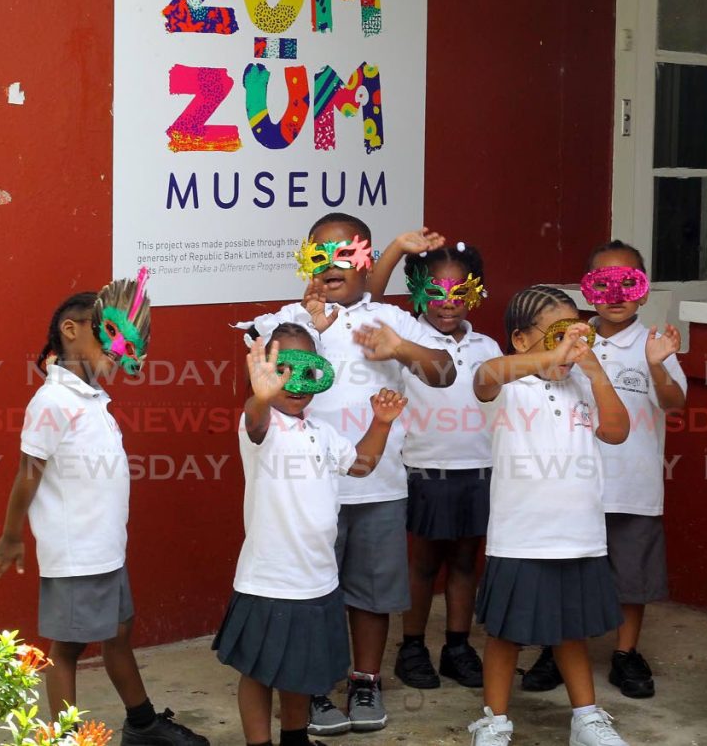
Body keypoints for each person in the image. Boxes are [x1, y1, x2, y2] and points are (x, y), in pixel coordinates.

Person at [238, 213, 455, 735]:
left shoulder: (391, 319)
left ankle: (365, 680)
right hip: (307, 495)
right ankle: (311, 689)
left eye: (344, 254)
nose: (332, 265)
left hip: (376, 482)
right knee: (312, 596)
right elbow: (261, 375)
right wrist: (314, 323)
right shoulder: (287, 319)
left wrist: (398, 347)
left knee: (372, 594)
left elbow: (444, 373)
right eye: (319, 255)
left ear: (365, 259)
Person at [0, 282, 208, 745]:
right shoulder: (52, 401)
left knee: (119, 635)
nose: (117, 351)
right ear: (70, 331)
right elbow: (28, 471)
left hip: (106, 550)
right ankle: (66, 738)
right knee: (66, 650)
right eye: (107, 334)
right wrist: (11, 536)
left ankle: (142, 726)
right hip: (77, 554)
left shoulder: (93, 397)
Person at [213, 326, 407, 746]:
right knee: (259, 670)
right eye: (280, 370)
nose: (292, 382)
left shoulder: (322, 431)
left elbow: (362, 465)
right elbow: (254, 417)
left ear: (321, 373)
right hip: (269, 580)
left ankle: (295, 738)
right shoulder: (262, 430)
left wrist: (381, 423)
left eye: (305, 371)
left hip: (318, 580)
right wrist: (261, 396)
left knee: (300, 669)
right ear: (262, 373)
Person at [467, 285, 631, 746]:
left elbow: (617, 431)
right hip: (520, 535)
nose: (571, 344)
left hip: (578, 533)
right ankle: (494, 721)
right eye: (559, 332)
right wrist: (547, 359)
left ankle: (586, 718)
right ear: (521, 340)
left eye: (579, 333)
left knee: (570, 629)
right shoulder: (510, 388)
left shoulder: (581, 382)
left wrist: (595, 370)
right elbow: (485, 374)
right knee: (506, 632)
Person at [523, 241, 686, 697]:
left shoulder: (656, 344)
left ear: (645, 288)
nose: (615, 294)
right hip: (572, 485)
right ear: (586, 289)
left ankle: (625, 653)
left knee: (631, 580)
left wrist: (656, 367)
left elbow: (674, 405)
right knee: (564, 571)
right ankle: (555, 650)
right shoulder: (568, 337)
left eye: (628, 283)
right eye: (603, 283)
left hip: (633, 486)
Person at [370, 237, 500, 690]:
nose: (448, 303)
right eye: (436, 292)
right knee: (423, 563)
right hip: (425, 467)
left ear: (475, 292)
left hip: (479, 466)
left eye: (460, 292)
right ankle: (412, 647)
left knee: (466, 560)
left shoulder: (488, 346)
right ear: (417, 291)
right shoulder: (408, 337)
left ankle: (458, 647)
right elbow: (370, 298)